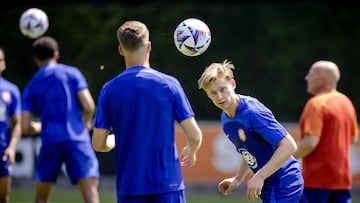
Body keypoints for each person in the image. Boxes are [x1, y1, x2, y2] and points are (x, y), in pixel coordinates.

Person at [92, 20, 202, 203]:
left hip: (130, 186)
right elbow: (195, 136)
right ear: (149, 46)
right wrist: (192, 151)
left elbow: (98, 144)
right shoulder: (169, 84)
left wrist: (116, 138)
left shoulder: (109, 89)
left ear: (120, 50)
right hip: (169, 185)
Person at [197, 60, 304, 202]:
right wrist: (237, 179)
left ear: (233, 84)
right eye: (213, 93)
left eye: (223, 89)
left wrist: (259, 176)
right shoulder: (226, 117)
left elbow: (289, 145)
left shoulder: (252, 112)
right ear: (208, 95)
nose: (220, 97)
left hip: (283, 181)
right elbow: (249, 151)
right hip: (269, 184)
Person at [21, 36, 100, 203]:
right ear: (56, 55)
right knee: (91, 197)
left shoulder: (31, 85)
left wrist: (42, 126)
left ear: (36, 58)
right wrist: (85, 122)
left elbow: (25, 126)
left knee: (41, 199)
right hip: (77, 139)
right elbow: (89, 106)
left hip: (51, 140)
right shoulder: (72, 73)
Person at [293, 60, 359, 203]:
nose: (306, 78)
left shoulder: (316, 104)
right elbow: (353, 139)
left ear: (322, 80)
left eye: (311, 74)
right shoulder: (346, 102)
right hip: (342, 180)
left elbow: (310, 143)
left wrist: (284, 158)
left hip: (317, 180)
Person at [0, 47, 21, 203]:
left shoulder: (11, 90)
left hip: (2, 151)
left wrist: (12, 147)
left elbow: (17, 123)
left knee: (3, 197)